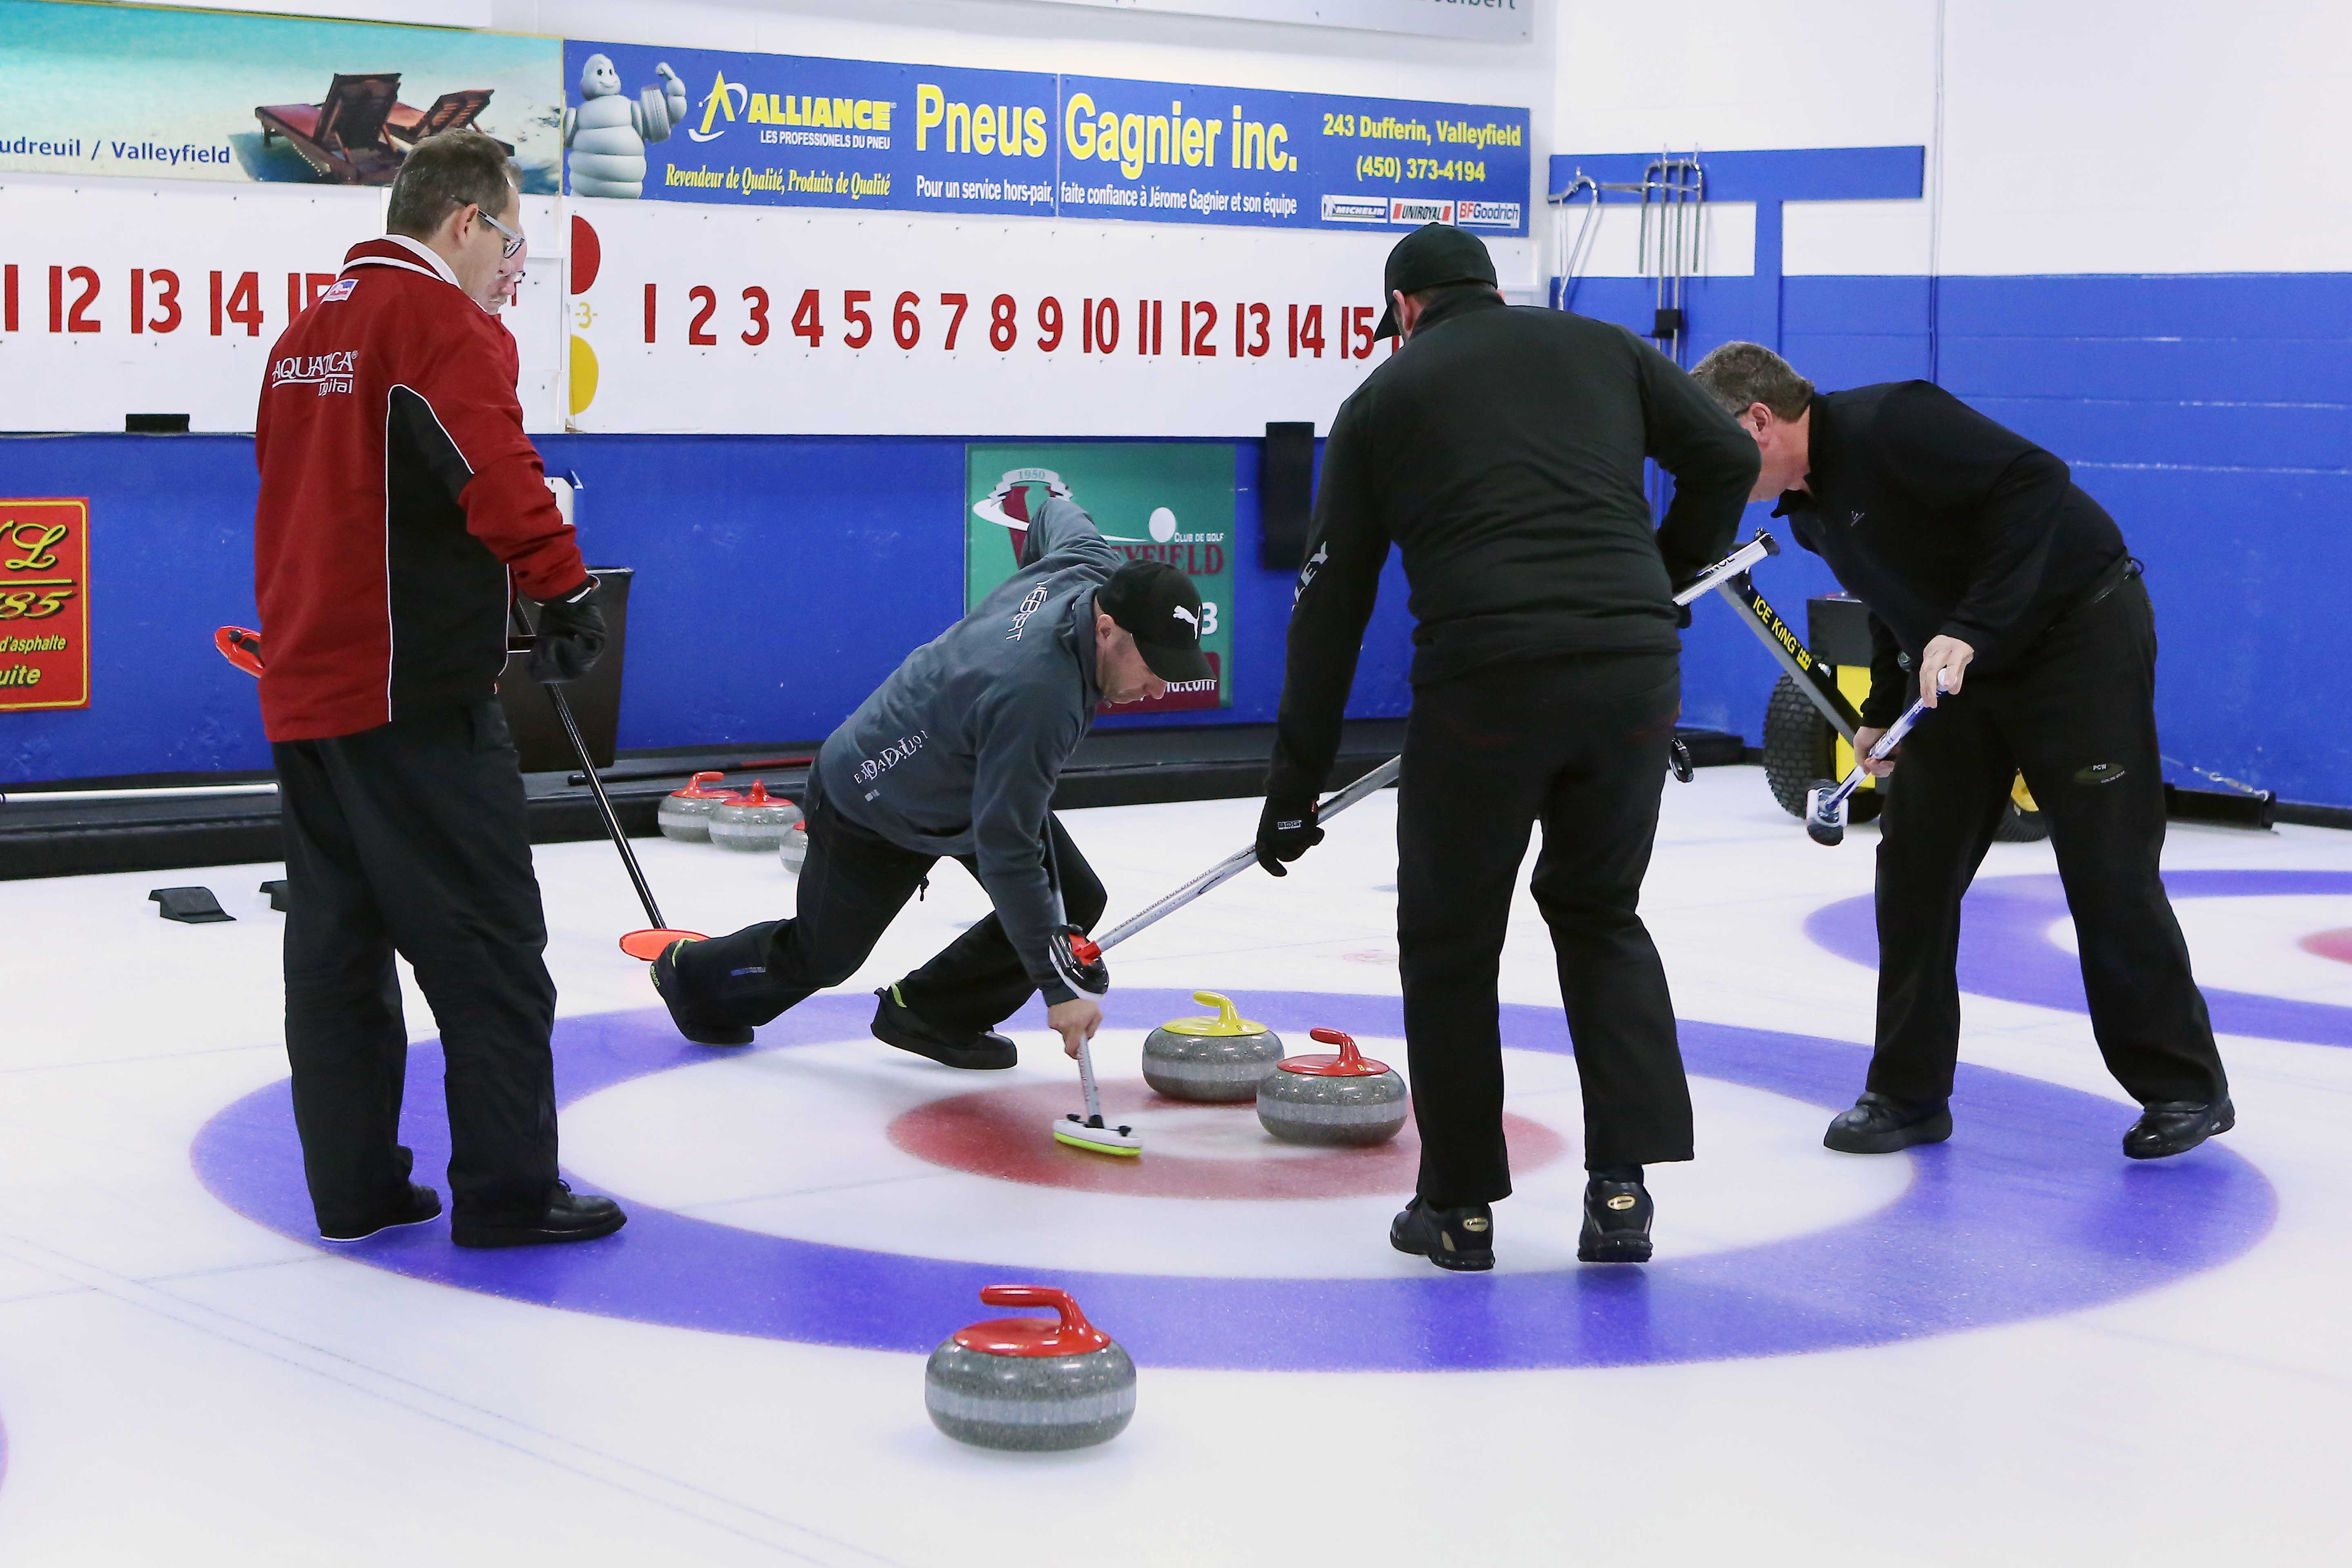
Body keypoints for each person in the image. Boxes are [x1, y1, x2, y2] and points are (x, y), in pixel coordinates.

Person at [1258, 224, 1760, 1271]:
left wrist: (1294, 790)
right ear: (1491, 287)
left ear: (1403, 310)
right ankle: (1621, 1196)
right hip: (1630, 676)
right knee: (1598, 913)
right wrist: (1661, 580)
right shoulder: (1602, 346)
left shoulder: (1382, 402)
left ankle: (1460, 1207)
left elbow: (1331, 609)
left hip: (1487, 683)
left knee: (1450, 941)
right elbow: (1729, 452)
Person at [1689, 342, 2230, 1160]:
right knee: (1913, 870)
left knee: (2107, 869)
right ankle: (1906, 1095)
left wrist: (1971, 627)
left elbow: (2036, 481)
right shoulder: (1808, 511)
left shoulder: (1890, 421)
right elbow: (1886, 593)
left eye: (1713, 443)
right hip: (1959, 672)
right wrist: (1879, 708)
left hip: (2074, 642)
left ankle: (2186, 1088)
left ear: (1759, 421)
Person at [253, 131, 625, 1248]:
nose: (515, 265)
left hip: (309, 695)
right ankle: (510, 1193)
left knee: (338, 953)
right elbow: (496, 472)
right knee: (491, 949)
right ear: (464, 223)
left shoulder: (301, 339)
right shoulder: (437, 325)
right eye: (511, 237)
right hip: (415, 700)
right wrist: (563, 593)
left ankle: (356, 1188)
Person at [650, 492, 1208, 1068]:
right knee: (824, 957)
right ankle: (690, 976)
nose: (1160, 690)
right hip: (876, 798)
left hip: (970, 774)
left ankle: (930, 1012)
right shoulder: (1039, 697)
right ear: (1108, 629)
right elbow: (1008, 851)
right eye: (1153, 667)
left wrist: (1019, 611)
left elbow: (1052, 509)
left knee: (1076, 897)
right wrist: (1059, 987)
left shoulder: (1090, 567)